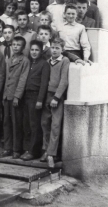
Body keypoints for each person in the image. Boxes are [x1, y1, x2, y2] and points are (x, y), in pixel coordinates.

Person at [0, 36, 30, 159]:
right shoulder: (9, 59)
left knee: (16, 123)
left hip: (16, 97)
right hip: (7, 95)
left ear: (23, 47)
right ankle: (8, 148)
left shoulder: (24, 61)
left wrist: (17, 96)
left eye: (18, 45)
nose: (16, 47)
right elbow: (7, 78)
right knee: (6, 123)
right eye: (14, 44)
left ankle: (17, 149)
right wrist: (4, 95)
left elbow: (22, 79)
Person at [41, 38, 70, 168]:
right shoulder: (47, 62)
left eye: (57, 48)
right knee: (44, 123)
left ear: (62, 49)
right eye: (53, 47)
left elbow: (64, 81)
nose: (54, 50)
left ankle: (52, 154)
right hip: (46, 96)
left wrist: (57, 97)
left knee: (55, 125)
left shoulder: (64, 61)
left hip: (56, 97)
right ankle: (46, 150)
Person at [21, 40, 50, 161]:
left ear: (41, 51)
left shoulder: (44, 64)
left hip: (35, 97)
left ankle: (34, 151)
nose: (34, 52)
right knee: (26, 123)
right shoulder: (29, 62)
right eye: (32, 49)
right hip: (26, 96)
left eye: (36, 50)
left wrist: (39, 100)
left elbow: (44, 84)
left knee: (34, 125)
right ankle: (27, 149)